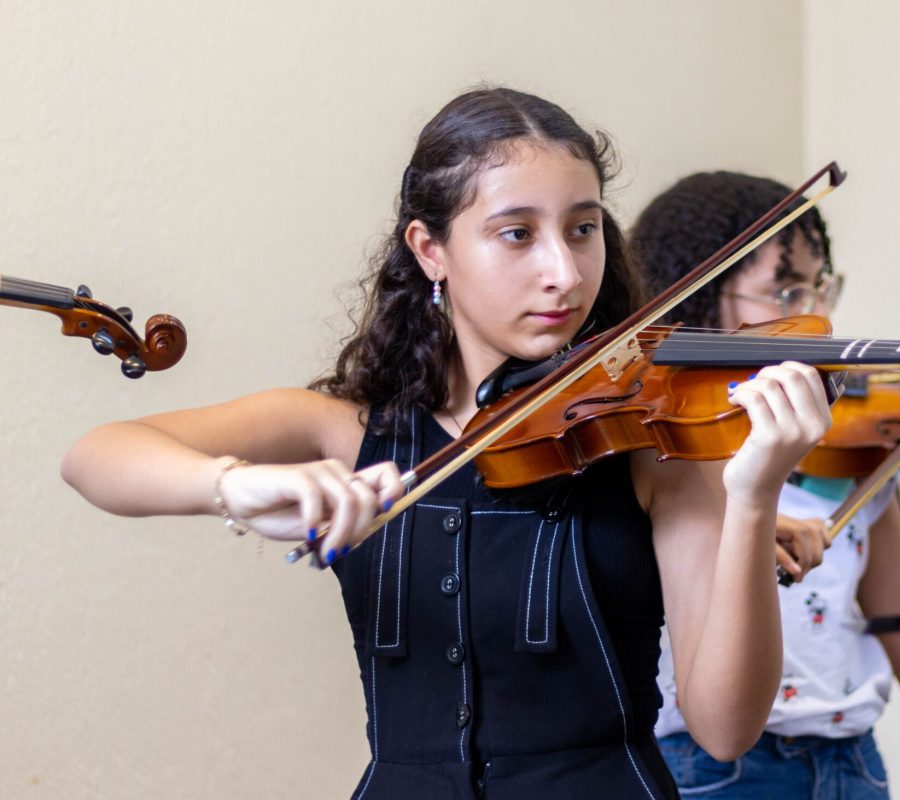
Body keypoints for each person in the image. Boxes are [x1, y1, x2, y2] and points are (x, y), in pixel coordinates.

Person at [60, 89, 835, 799]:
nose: (563, 272)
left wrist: (755, 495)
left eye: (583, 229)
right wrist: (230, 486)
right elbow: (96, 456)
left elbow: (724, 728)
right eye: (517, 234)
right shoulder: (342, 428)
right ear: (431, 250)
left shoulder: (648, 447)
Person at [631, 172, 900, 799]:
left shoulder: (853, 455)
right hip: (713, 779)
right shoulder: (660, 458)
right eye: (787, 289)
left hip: (854, 770)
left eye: (823, 286)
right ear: (693, 300)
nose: (818, 316)